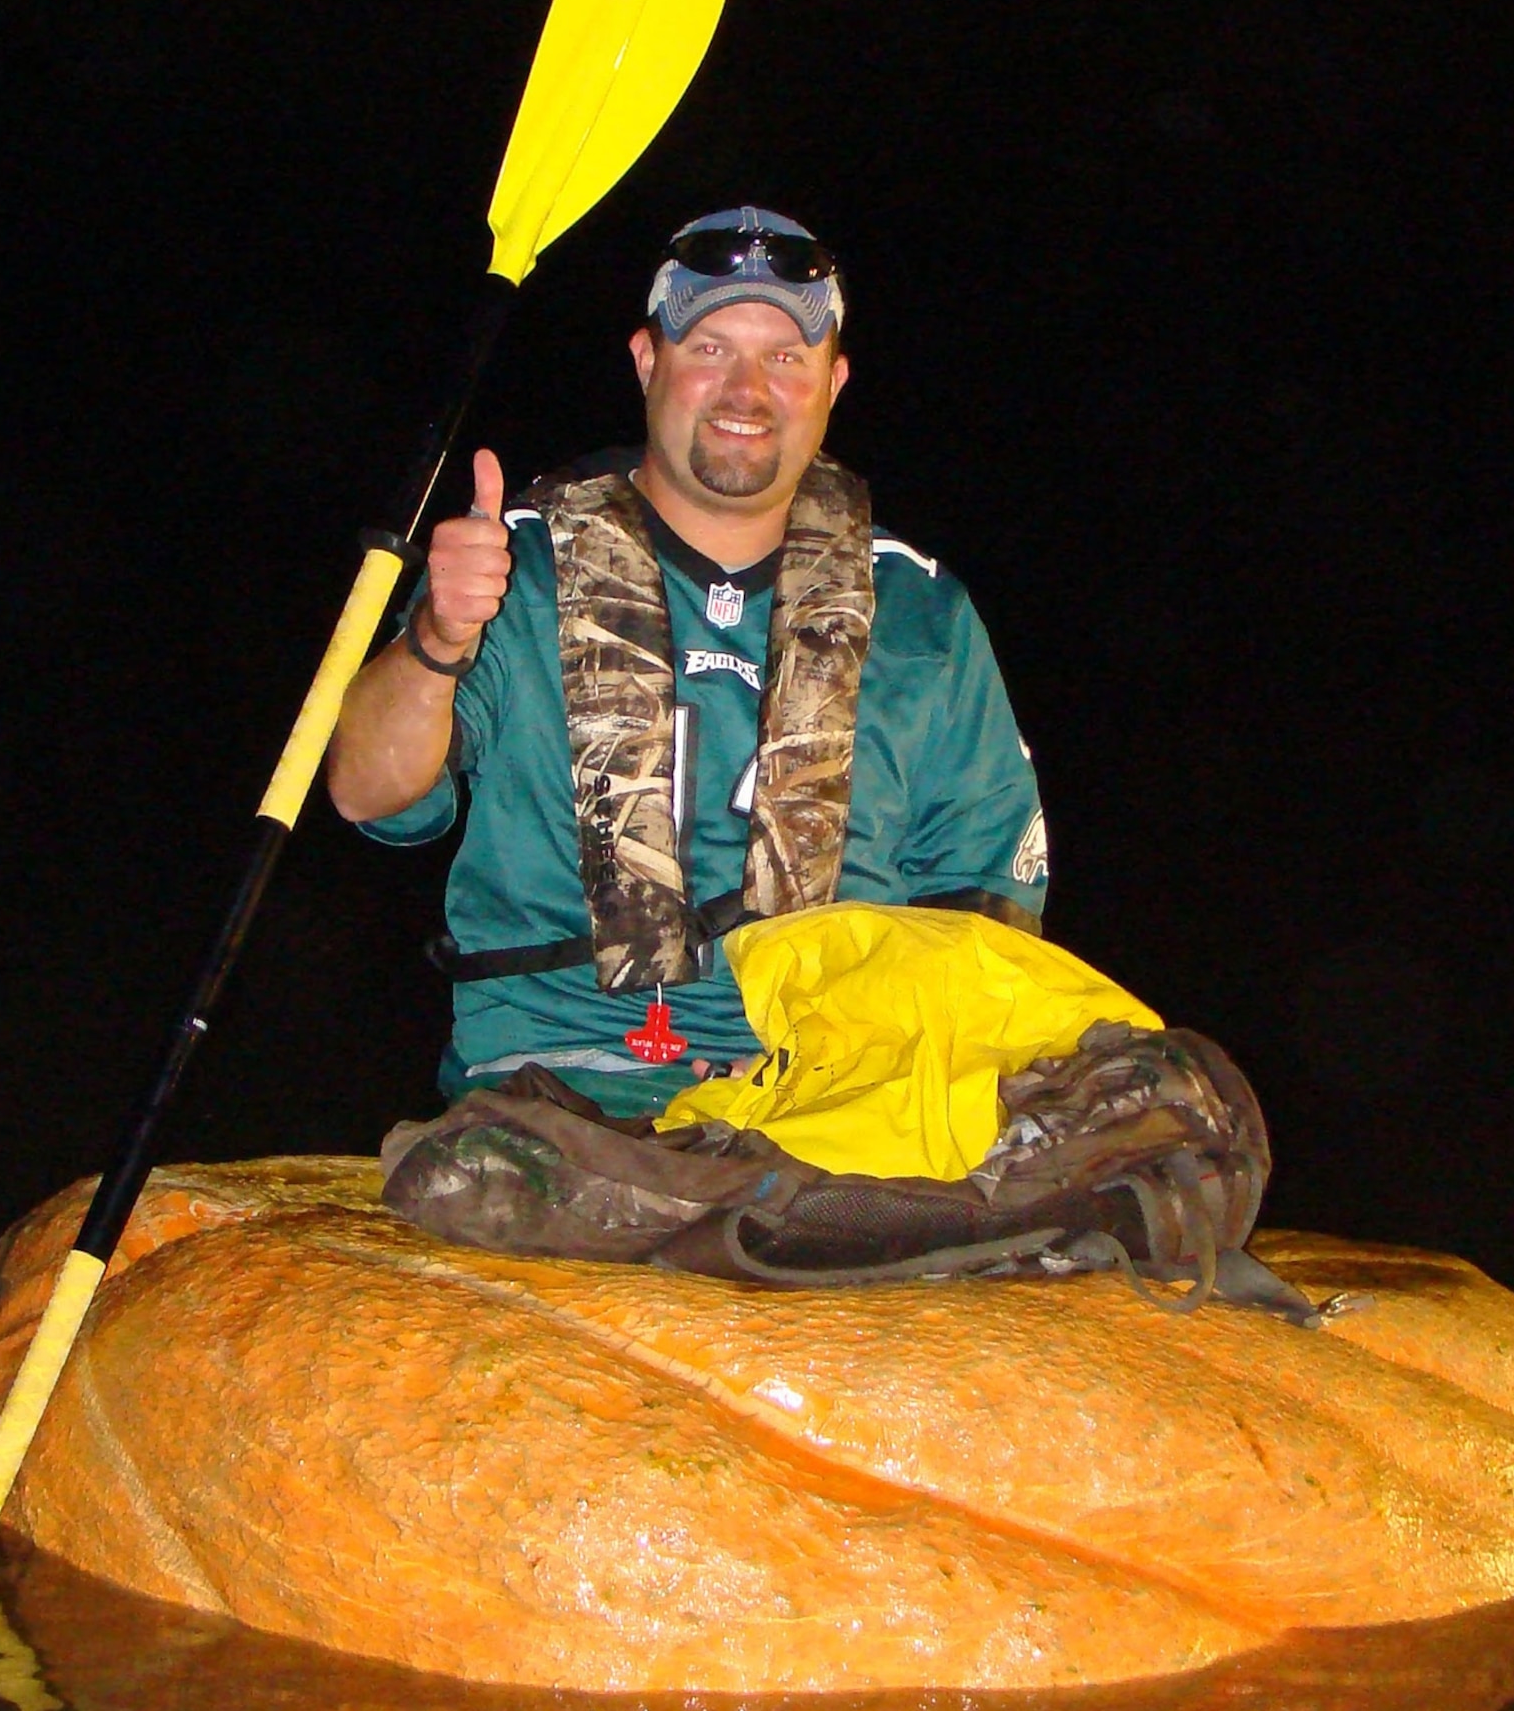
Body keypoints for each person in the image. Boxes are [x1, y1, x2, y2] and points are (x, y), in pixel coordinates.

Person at [327, 208, 1050, 1117]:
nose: (745, 390)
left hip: (831, 1096)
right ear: (646, 362)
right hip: (565, 1078)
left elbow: (985, 903)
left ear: (834, 382)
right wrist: (436, 641)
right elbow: (365, 791)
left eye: (785, 358)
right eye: (710, 348)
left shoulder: (922, 612)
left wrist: (874, 1063)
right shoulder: (518, 567)